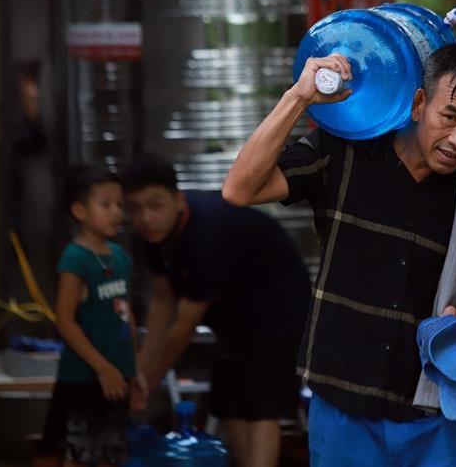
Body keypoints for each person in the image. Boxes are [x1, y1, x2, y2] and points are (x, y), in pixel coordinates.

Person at [222, 43, 456, 466]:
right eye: (450, 117)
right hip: (344, 404)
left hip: (437, 408)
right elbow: (239, 190)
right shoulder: (342, 150)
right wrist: (298, 97)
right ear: (419, 104)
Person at [120, 155, 311, 467]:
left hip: (279, 307)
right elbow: (162, 303)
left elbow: (183, 328)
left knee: (260, 402)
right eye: (135, 209)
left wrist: (146, 385)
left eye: (155, 205)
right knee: (227, 399)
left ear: (177, 199)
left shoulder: (204, 233)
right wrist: (140, 372)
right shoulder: (153, 238)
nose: (145, 218)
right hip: (233, 317)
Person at [42, 165, 145, 466]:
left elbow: (126, 313)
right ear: (79, 210)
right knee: (79, 454)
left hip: (117, 378)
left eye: (119, 205)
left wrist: (134, 367)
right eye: (106, 205)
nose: (117, 213)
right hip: (85, 379)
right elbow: (65, 320)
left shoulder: (121, 257)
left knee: (111, 454)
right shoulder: (75, 258)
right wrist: (103, 368)